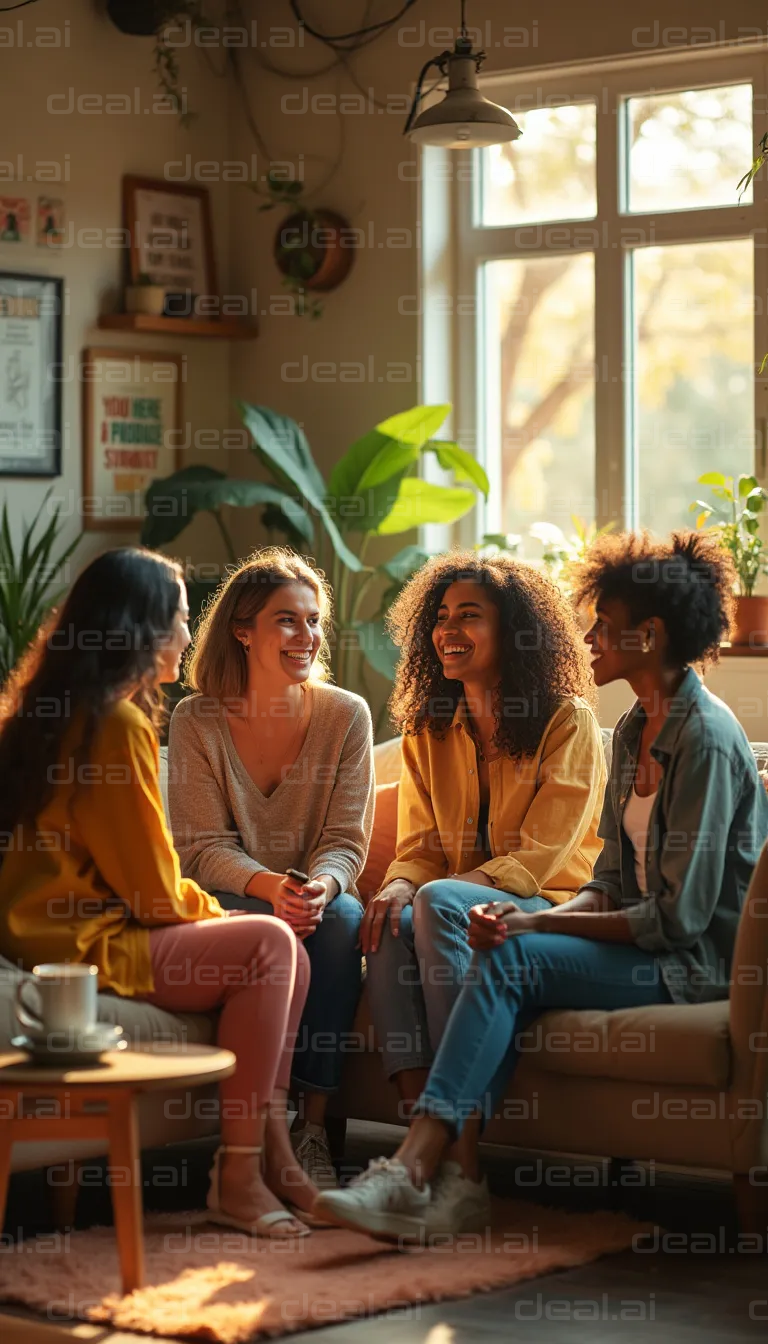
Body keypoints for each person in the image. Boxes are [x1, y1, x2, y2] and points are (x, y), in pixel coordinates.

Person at [315, 529, 768, 1242]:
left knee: (470, 924)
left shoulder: (705, 741)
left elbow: (675, 921)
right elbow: (611, 880)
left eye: (604, 625)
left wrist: (536, 923)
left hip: (691, 966)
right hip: (625, 938)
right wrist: (513, 924)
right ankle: (443, 1173)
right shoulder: (633, 734)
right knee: (442, 926)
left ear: (649, 636)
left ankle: (417, 1170)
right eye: (442, 616)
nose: (589, 637)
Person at [0, 547, 318, 1238]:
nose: (183, 635)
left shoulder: (45, 712)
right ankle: (240, 1176)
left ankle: (273, 1158)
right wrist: (233, 913)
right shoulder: (115, 724)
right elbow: (153, 893)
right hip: (87, 943)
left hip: (45, 934)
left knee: (280, 946)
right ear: (137, 630)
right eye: (176, 619)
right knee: (271, 943)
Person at [360, 551, 606, 1233]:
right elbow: (417, 848)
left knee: (433, 902)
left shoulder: (568, 722)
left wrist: (434, 889)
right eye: (440, 618)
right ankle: (426, 1150)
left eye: (469, 615)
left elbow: (542, 858)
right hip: (458, 900)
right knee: (383, 917)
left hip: (548, 911)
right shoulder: (427, 729)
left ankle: (462, 1161)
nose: (448, 630)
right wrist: (401, 883)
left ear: (515, 632)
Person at [168, 548, 374, 1189]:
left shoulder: (347, 715)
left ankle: (312, 1129)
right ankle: (264, 1127)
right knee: (266, 931)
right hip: (234, 898)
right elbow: (199, 848)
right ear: (242, 629)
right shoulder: (196, 720)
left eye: (314, 621)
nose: (306, 636)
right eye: (287, 620)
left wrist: (320, 885)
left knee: (341, 919)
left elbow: (346, 839)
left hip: (316, 896)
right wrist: (269, 886)